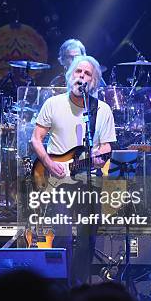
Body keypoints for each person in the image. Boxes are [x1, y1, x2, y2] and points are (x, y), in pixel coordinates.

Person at [31, 55, 116, 285]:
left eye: (88, 74)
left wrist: (101, 156)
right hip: (59, 181)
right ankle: (62, 287)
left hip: (89, 180)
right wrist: (49, 163)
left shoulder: (103, 110)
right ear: (70, 76)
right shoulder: (53, 104)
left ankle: (79, 286)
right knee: (64, 236)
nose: (82, 77)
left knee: (88, 238)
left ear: (94, 82)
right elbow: (36, 139)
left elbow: (107, 145)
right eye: (78, 72)